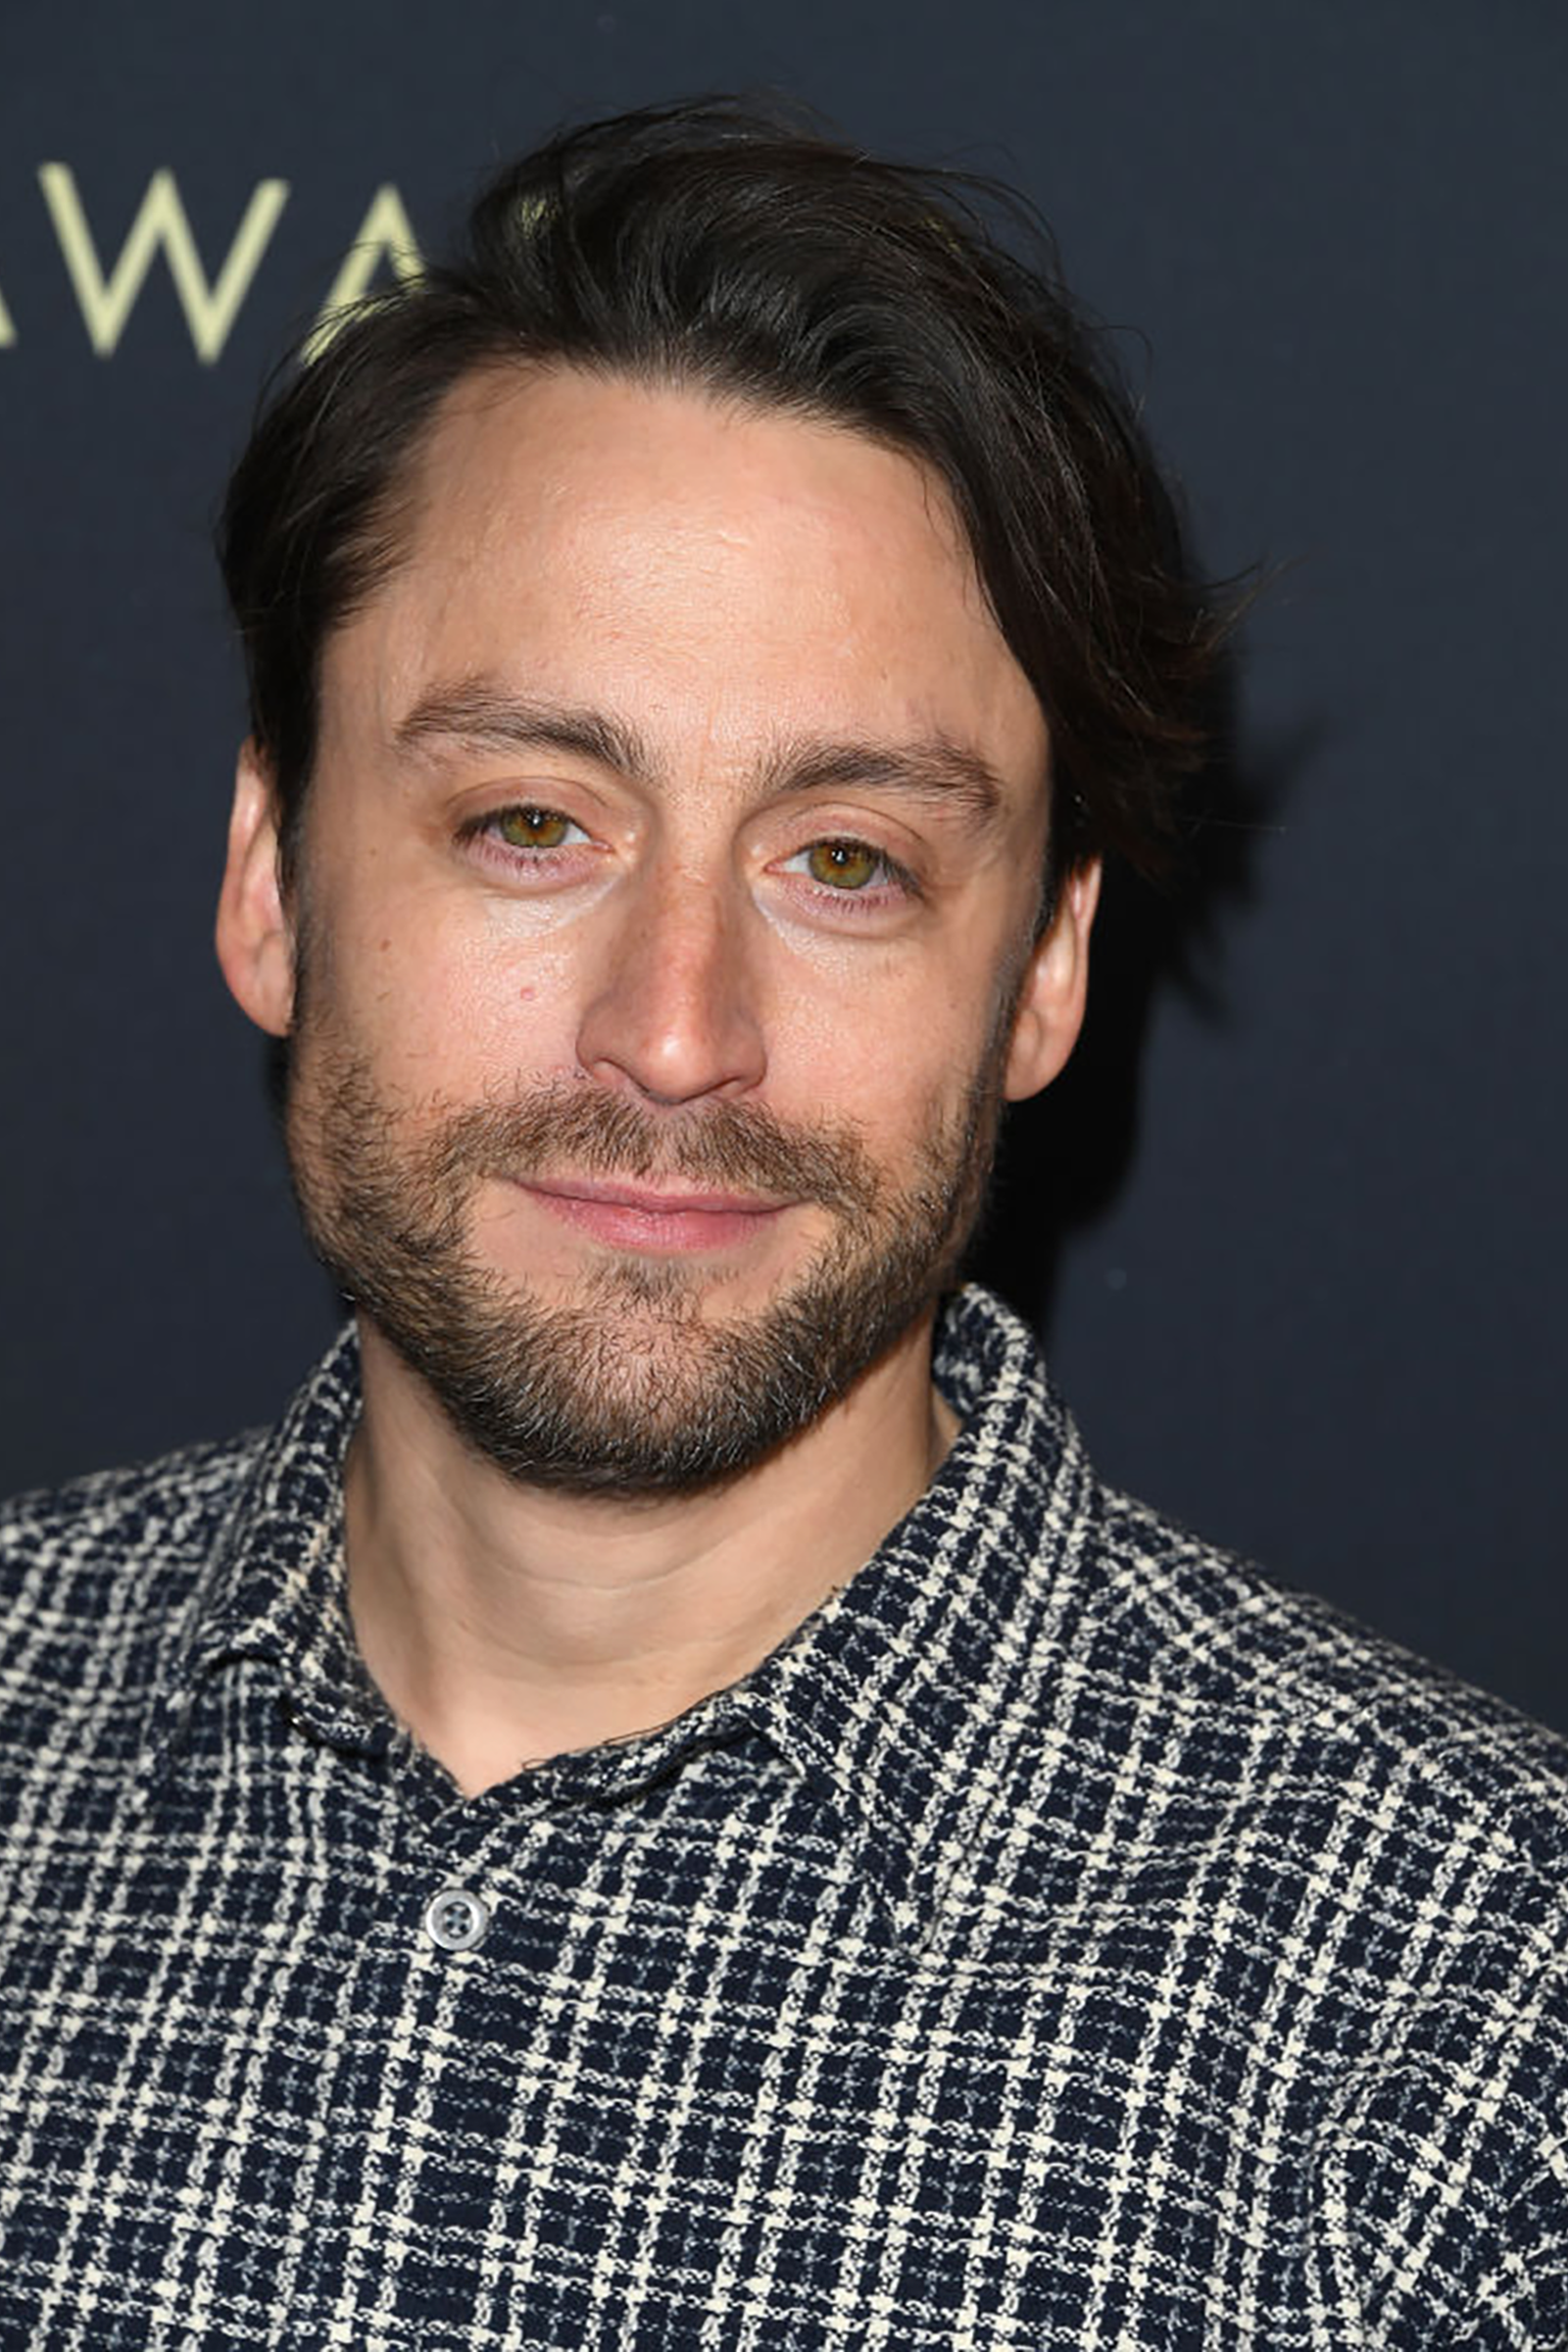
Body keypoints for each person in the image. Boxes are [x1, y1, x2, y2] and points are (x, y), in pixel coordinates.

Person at [1, 97, 1563, 2349]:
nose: (670, 1035)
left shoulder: (1464, 2045)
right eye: (533, 822)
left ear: (1039, 974)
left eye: (843, 862)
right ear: (268, 878)